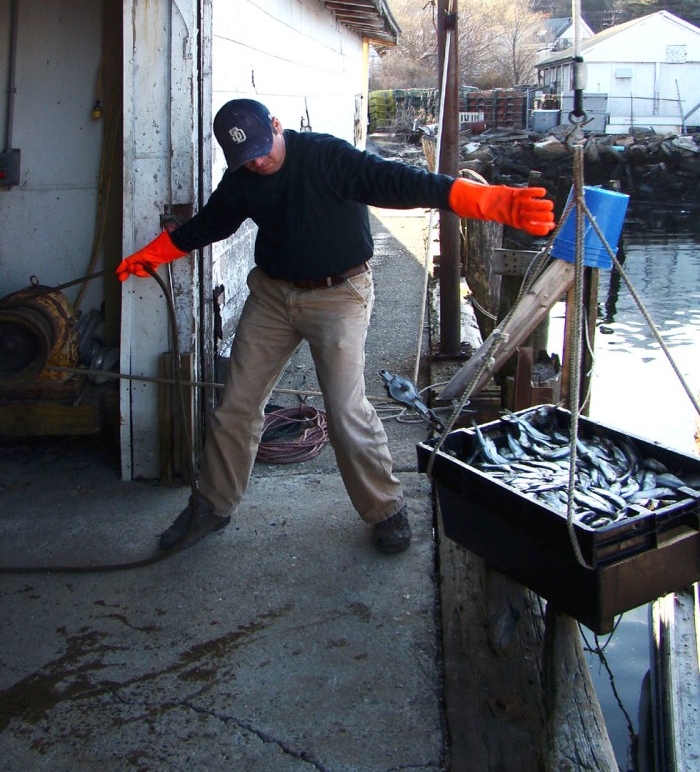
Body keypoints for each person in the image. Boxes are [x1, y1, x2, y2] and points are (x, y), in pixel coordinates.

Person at [116, 99, 554, 555]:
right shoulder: (242, 178)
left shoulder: (326, 156)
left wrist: (476, 199)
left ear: (277, 125)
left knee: (345, 410)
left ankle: (386, 509)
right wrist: (158, 252)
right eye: (247, 158)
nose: (259, 162)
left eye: (264, 149)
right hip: (272, 295)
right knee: (235, 405)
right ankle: (211, 506)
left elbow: (395, 181)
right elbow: (211, 224)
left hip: (339, 294)